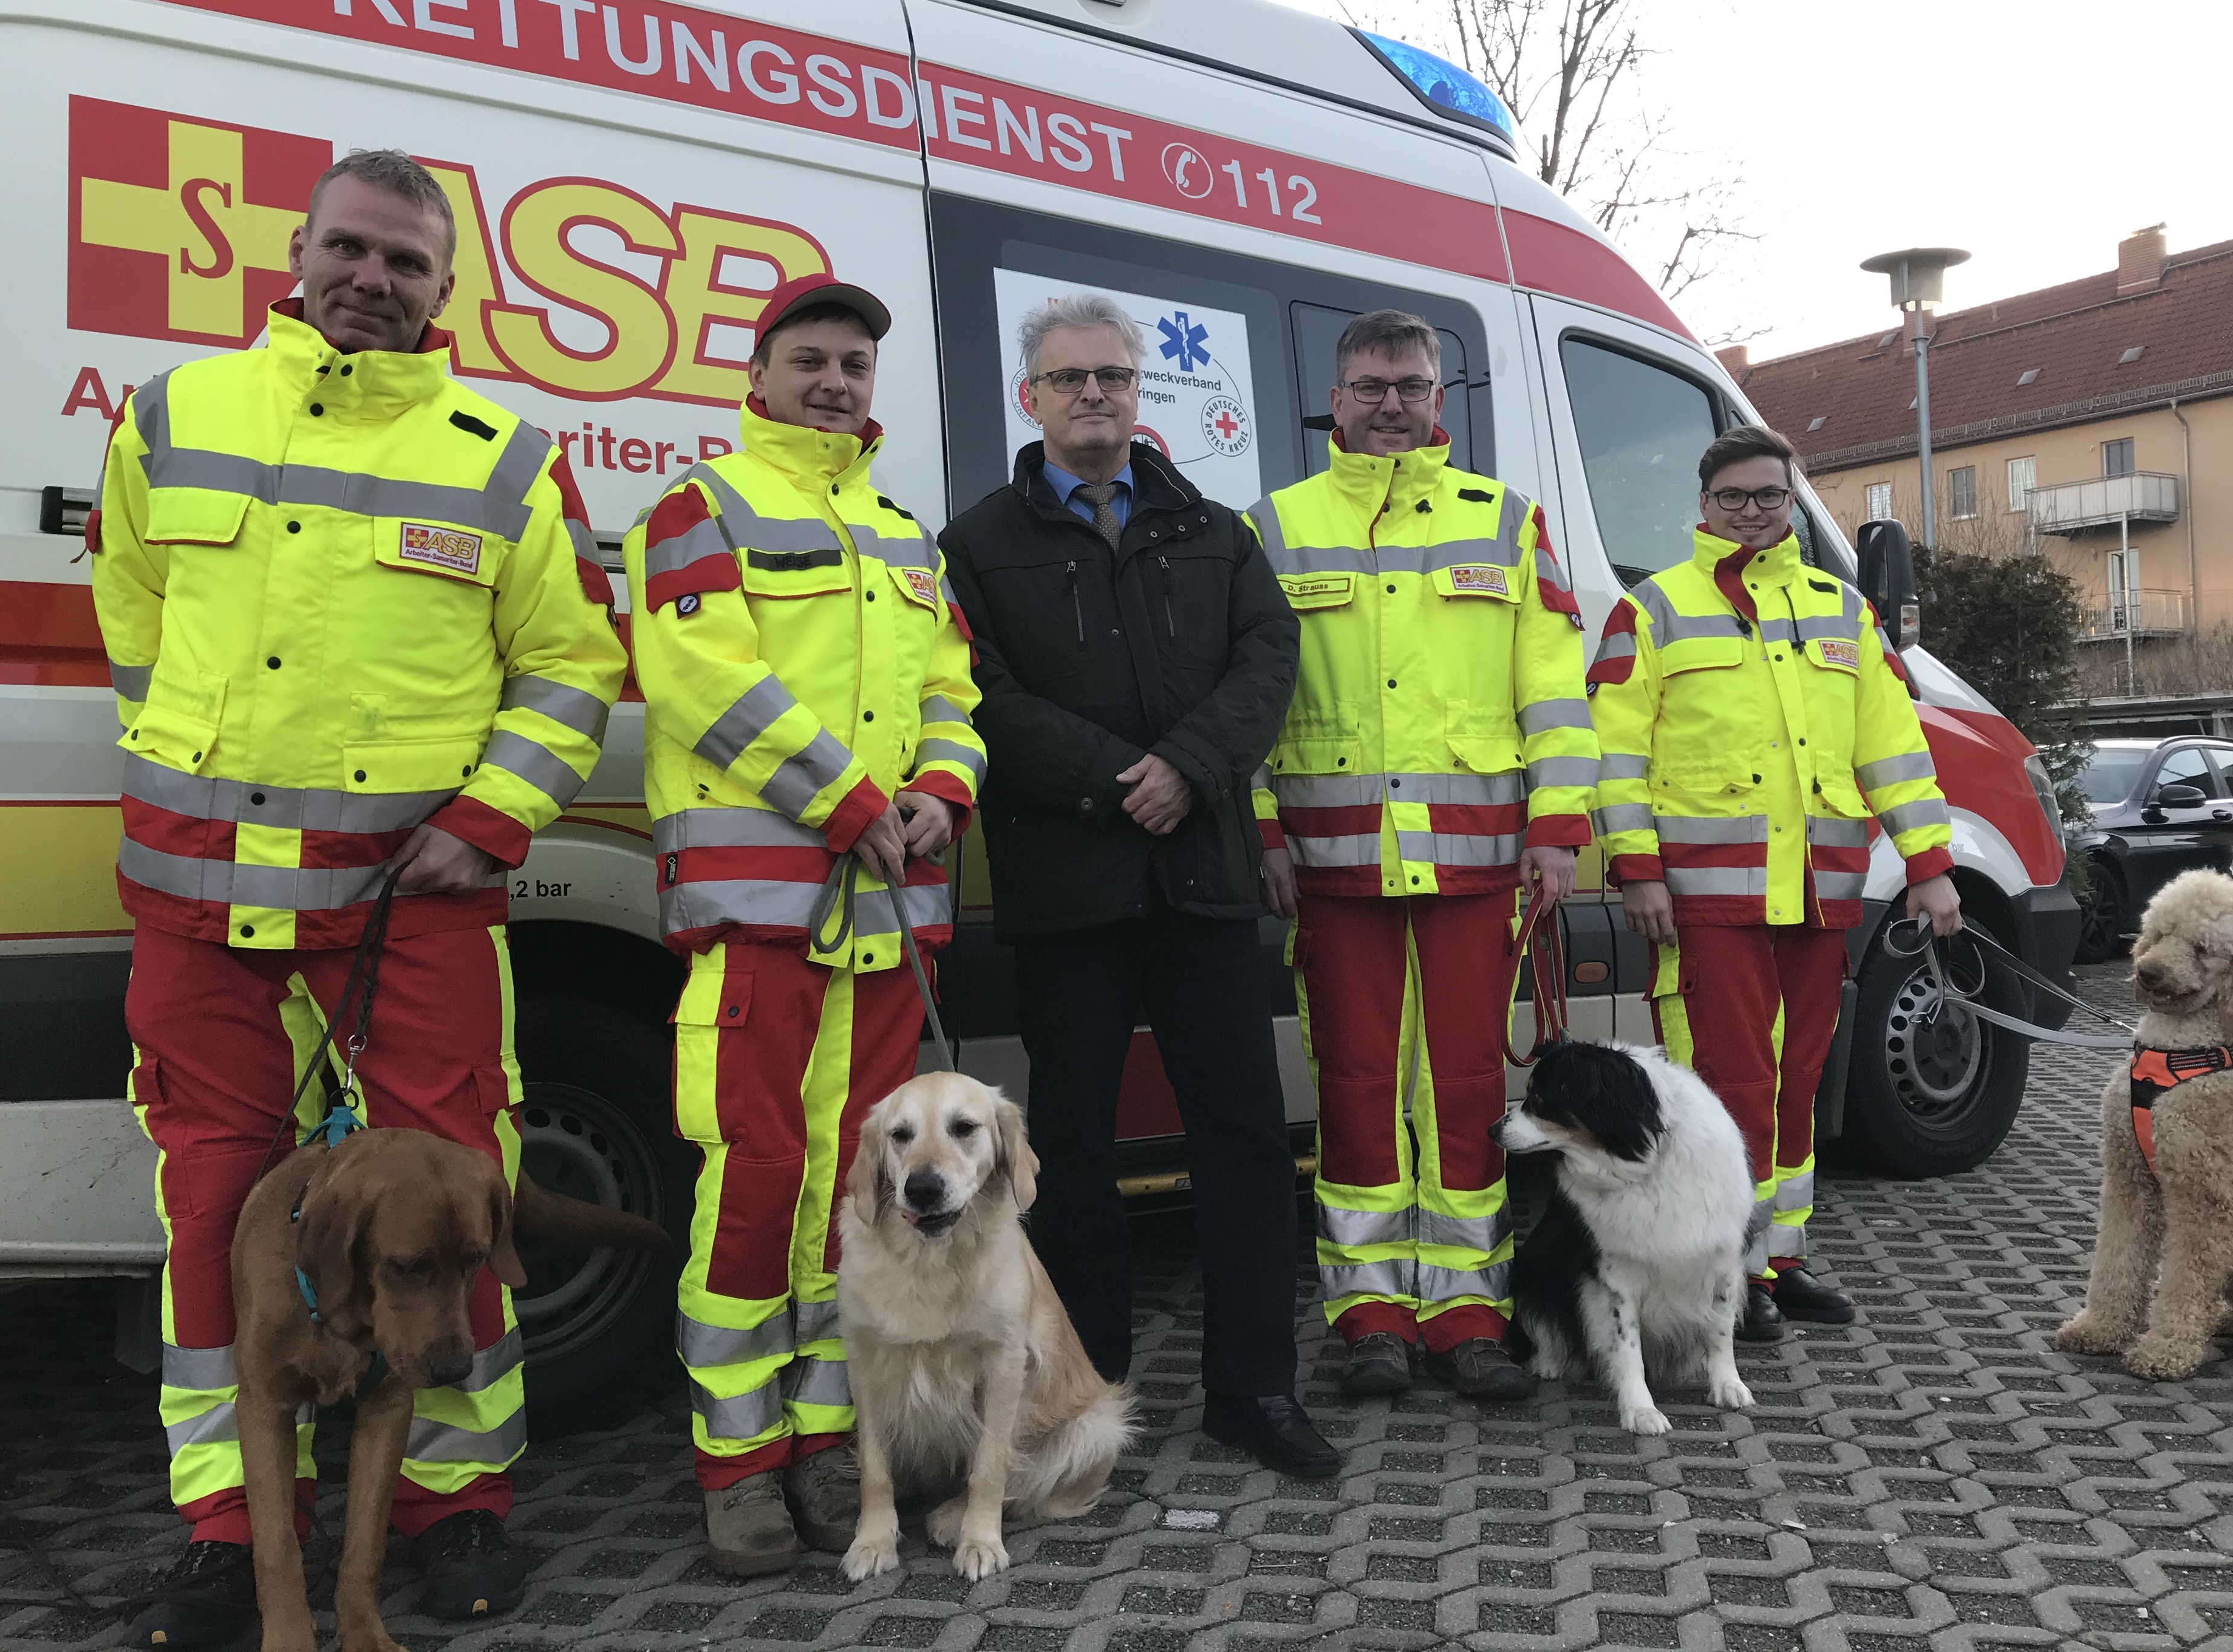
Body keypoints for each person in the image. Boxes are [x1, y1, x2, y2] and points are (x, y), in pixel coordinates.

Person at [94, 149, 627, 1648]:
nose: (372, 280)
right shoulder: (175, 415)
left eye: (406, 263)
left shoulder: (502, 454)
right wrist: (185, 759)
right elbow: (131, 613)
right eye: (352, 249)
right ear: (301, 250)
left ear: (446, 288)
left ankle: (460, 1512)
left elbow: (574, 666)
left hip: (415, 901)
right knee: (211, 1199)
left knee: (458, 1189)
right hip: (195, 896)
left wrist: (492, 811)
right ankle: (226, 1530)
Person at [936, 293, 1335, 1476]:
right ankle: (1077, 1401)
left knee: (1246, 1146)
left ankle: (1254, 1393)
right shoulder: (978, 544)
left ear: (1139, 393)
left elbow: (1271, 659)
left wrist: (1195, 768)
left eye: (1114, 377)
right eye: (1072, 380)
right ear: (1034, 399)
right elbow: (985, 695)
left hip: (1205, 888)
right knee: (1070, 1160)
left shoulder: (1212, 530)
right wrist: (1126, 780)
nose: (1096, 395)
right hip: (1073, 895)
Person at [624, 272, 983, 1574]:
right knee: (753, 1180)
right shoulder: (699, 509)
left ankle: (834, 1447)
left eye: (854, 367)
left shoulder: (905, 538)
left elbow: (953, 687)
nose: (836, 383)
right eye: (812, 361)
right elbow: (698, 681)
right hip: (758, 917)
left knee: (871, 1195)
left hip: (890, 917)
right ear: (758, 375)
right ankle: (735, 1467)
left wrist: (945, 788)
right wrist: (849, 800)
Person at [1252, 309, 1596, 1403]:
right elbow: (1247, 701)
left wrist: (1557, 830)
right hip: (1333, 865)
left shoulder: (1509, 523)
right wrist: (1261, 827)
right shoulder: (1276, 525)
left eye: (1411, 385)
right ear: (1336, 401)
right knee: (1353, 1087)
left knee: (1462, 1086)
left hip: (1475, 862)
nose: (1391, 403)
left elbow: (1554, 688)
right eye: (1370, 385)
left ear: (1441, 402)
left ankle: (1465, 1314)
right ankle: (1367, 1317)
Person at [1587, 421, 1962, 1342]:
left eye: (1770, 495)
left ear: (1792, 501)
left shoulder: (1842, 610)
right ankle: (1719, 1270)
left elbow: (1892, 748)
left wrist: (1930, 864)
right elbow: (1612, 756)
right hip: (1705, 902)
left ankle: (1773, 1262)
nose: (1753, 512)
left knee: (1797, 1085)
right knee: (1727, 1089)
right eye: (1734, 497)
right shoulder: (1653, 608)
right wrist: (1637, 870)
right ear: (1704, 506)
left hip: (1818, 892)